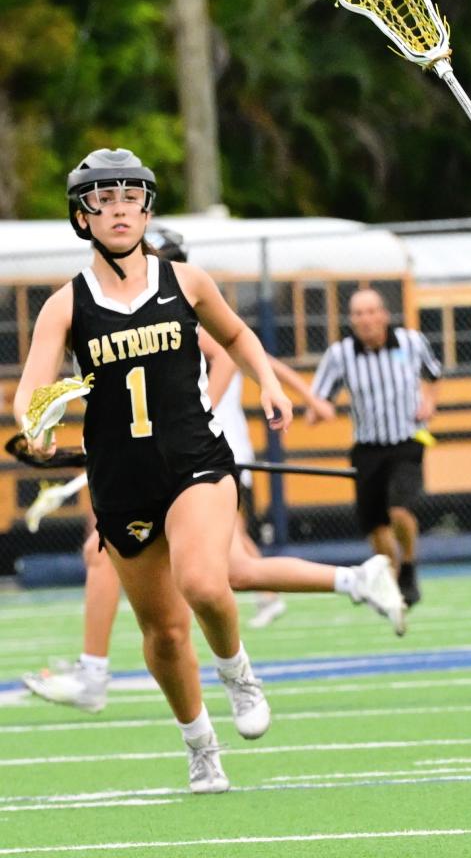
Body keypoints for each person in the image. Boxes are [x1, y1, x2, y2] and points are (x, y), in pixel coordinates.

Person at [21, 225, 407, 717]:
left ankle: (96, 672)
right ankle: (355, 580)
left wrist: (181, 432)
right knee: (233, 572)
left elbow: (236, 352)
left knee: (194, 575)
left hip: (201, 464)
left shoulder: (182, 305)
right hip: (157, 466)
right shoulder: (111, 313)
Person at [15, 147, 297, 795]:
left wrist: (269, 386)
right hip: (121, 480)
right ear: (81, 217)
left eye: (130, 197)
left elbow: (235, 336)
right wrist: (36, 422)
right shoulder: (65, 306)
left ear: (147, 207)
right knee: (164, 634)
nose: (118, 210)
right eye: (103, 199)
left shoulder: (185, 281)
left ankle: (238, 672)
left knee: (202, 580)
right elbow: (29, 394)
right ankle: (200, 745)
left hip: (195, 460)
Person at [307, 287, 441, 608]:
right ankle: (390, 579)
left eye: (370, 312)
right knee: (376, 526)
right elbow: (318, 398)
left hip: (407, 440)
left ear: (383, 314)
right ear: (351, 320)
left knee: (399, 510)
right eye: (358, 314)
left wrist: (429, 401)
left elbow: (433, 374)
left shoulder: (411, 342)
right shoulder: (340, 355)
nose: (365, 320)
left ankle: (407, 566)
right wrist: (316, 411)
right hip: (367, 447)